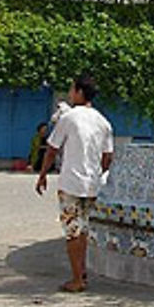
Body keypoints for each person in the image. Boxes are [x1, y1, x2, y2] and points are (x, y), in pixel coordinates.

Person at [35, 74, 113, 293]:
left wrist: (42, 174)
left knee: (72, 231)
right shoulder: (103, 122)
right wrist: (98, 172)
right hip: (92, 185)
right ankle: (82, 272)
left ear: (79, 92)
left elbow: (52, 149)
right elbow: (108, 157)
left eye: (72, 89)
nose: (70, 93)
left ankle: (77, 278)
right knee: (84, 229)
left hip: (71, 183)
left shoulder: (69, 118)